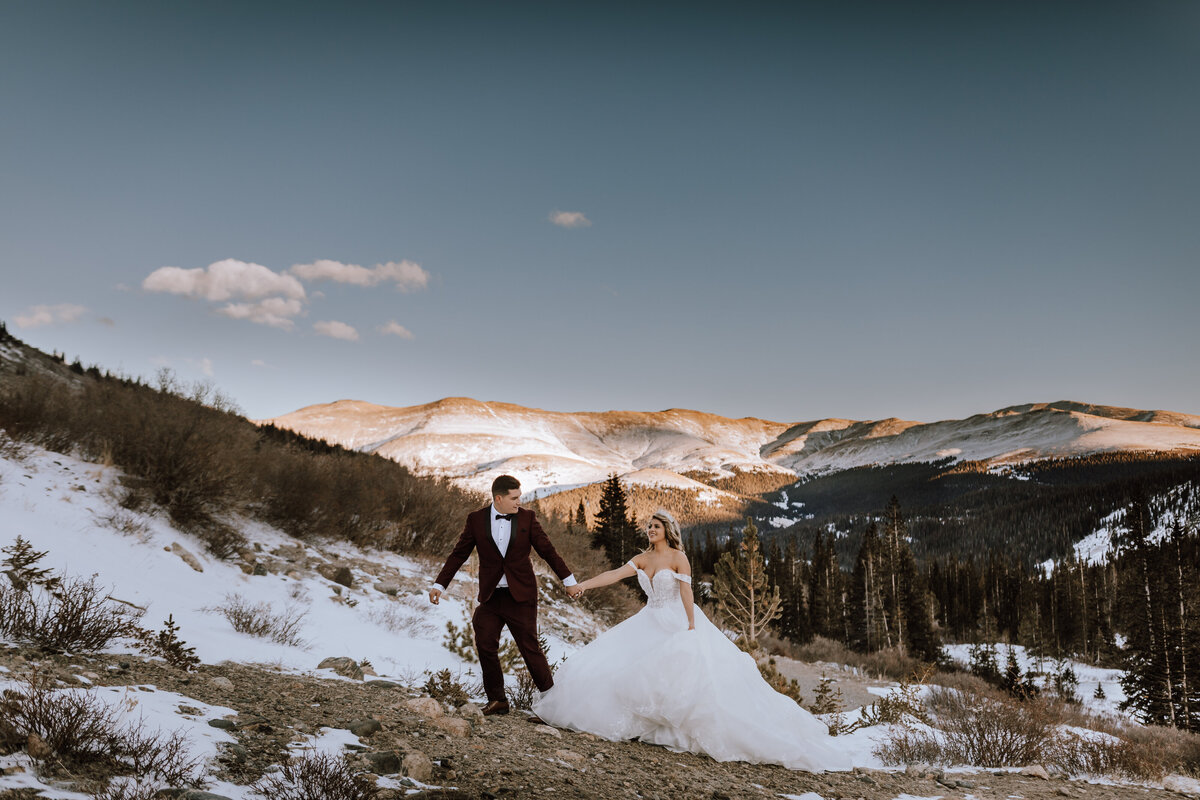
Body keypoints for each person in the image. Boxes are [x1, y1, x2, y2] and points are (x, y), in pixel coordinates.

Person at [532, 510, 850, 772]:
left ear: (667, 530)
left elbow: (687, 593)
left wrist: (692, 626)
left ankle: (685, 726)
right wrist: (582, 585)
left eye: (655, 526)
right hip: (649, 619)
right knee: (621, 667)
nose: (650, 530)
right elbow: (614, 574)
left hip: (678, 618)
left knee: (686, 672)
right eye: (649, 526)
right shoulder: (641, 558)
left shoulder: (679, 557)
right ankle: (646, 723)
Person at [429, 474, 582, 715]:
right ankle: (497, 700)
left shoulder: (528, 518)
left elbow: (548, 552)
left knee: (530, 647)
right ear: (498, 498)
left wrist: (569, 581)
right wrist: (440, 585)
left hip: (521, 595)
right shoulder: (476, 520)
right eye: (514, 498)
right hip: (491, 596)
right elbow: (459, 554)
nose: (519, 502)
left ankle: (554, 707)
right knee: (485, 641)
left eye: (520, 497)